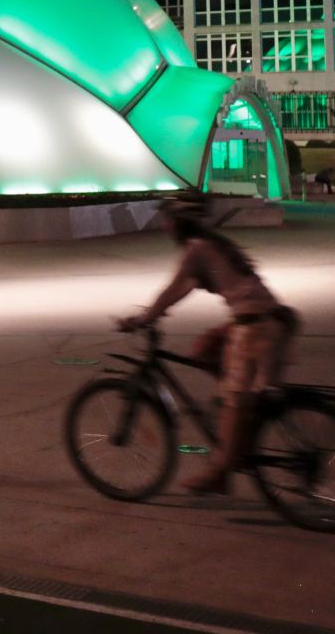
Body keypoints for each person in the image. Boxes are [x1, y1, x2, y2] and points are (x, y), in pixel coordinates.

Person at [117, 198, 298, 495]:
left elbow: (172, 288)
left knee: (233, 399)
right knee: (204, 349)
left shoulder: (196, 249)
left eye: (165, 220)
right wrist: (153, 314)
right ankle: (239, 420)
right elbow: (182, 289)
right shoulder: (212, 244)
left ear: (175, 223)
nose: (163, 226)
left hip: (256, 326)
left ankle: (219, 472)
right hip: (270, 317)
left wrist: (142, 320)